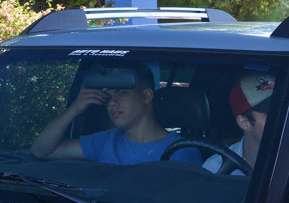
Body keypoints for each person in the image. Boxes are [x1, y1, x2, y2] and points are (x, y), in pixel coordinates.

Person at [31, 64, 202, 165]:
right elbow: (41, 151)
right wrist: (75, 109)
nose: (112, 103)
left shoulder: (181, 151)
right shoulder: (105, 142)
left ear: (146, 96)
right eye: (109, 96)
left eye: (121, 93)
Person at [202, 71, 289, 196]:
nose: (284, 119)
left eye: (286, 110)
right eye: (271, 114)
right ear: (244, 122)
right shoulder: (215, 167)